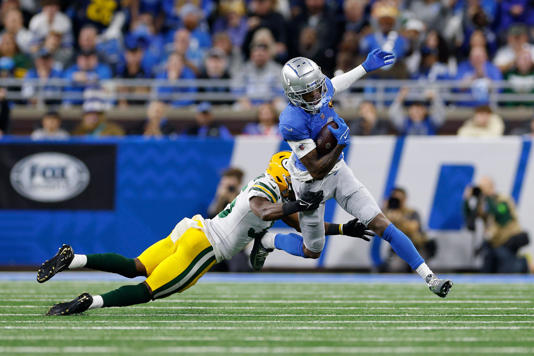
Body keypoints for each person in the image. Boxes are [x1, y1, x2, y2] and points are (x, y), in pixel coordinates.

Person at [37, 152, 370, 315]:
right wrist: (299, 203)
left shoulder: (279, 195)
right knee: (148, 290)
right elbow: (263, 210)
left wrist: (343, 228)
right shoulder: (268, 189)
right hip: (206, 247)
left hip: (192, 230)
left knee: (135, 265)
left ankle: (73, 258)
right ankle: (90, 303)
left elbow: (301, 225)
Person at [250, 52, 453, 298]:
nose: (316, 95)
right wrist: (340, 145)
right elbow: (315, 168)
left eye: (317, 89)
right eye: (309, 93)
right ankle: (268, 241)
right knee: (312, 250)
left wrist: (366, 67)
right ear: (293, 94)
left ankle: (430, 278)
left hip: (339, 171)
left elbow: (336, 84)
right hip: (310, 186)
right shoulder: (291, 121)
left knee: (381, 223)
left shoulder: (319, 88)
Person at [463, 176, 531, 273]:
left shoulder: (503, 200)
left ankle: (525, 264)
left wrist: (488, 197)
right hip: (494, 243)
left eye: (484, 187)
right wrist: (467, 200)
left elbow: (502, 218)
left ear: (491, 187)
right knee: (487, 269)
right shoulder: (483, 203)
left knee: (508, 270)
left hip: (508, 240)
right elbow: (470, 219)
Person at [382, 187, 435, 272]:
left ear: (404, 199)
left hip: (417, 247)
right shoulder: (389, 214)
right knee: (394, 268)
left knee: (420, 270)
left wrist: (399, 220)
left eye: (399, 199)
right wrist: (385, 211)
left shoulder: (412, 212)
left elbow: (413, 228)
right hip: (398, 249)